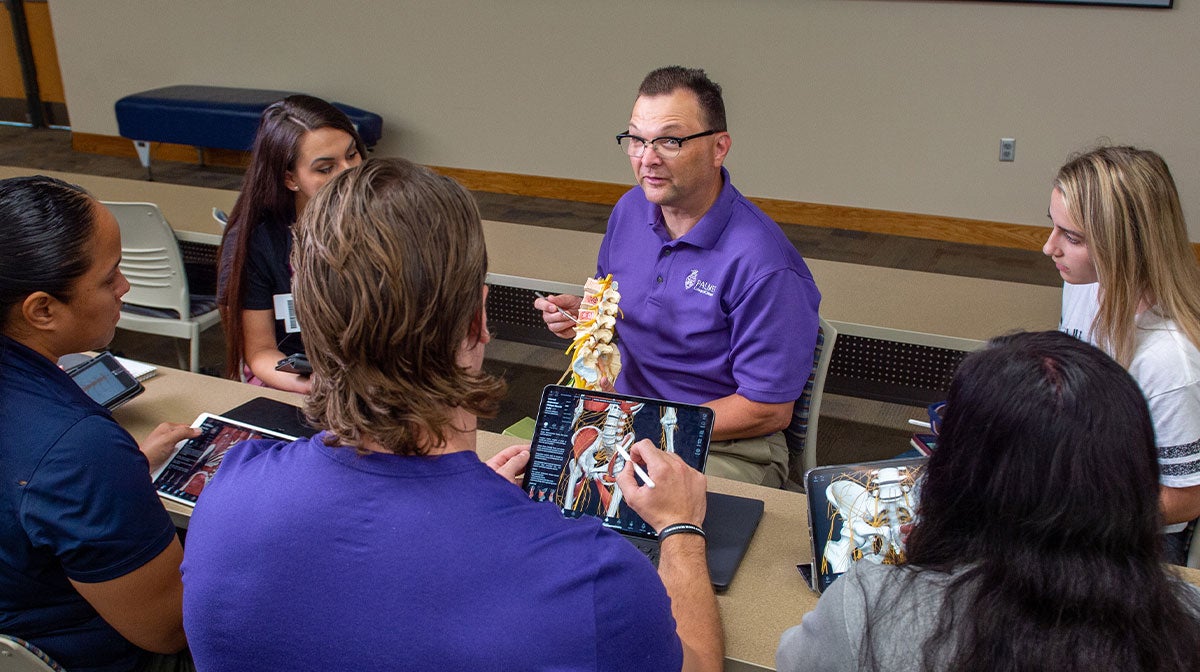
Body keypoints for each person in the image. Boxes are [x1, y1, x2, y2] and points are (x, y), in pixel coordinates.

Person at [182, 158, 723, 671]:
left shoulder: (227, 487)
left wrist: (464, 506)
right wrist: (680, 528)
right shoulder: (591, 579)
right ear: (476, 321)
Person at [776, 330, 1200, 671]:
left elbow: (792, 659)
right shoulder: (1187, 618)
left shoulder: (868, 608)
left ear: (960, 470)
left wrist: (914, 572)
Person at [536, 66, 821, 488]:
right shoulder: (630, 210)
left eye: (670, 140)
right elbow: (616, 309)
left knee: (628, 509)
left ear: (719, 147)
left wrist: (646, 427)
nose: (647, 158)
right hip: (626, 421)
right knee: (534, 488)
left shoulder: (765, 265)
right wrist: (587, 318)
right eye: (636, 139)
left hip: (724, 443)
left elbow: (768, 409)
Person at [0, 176, 200, 671]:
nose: (125, 288)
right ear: (42, 309)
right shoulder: (78, 450)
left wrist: (122, 480)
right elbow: (169, 630)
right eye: (109, 277)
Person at [1044, 146, 1200, 563]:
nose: (1049, 248)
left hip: (1136, 534)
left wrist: (1071, 510)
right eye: (1053, 226)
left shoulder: (1170, 360)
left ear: (1124, 245)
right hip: (1080, 481)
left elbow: (1185, 499)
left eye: (1071, 237)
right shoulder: (1082, 283)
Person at [217, 94, 366, 393]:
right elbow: (260, 354)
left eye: (352, 155)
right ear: (290, 179)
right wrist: (314, 384)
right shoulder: (257, 243)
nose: (348, 173)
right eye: (325, 168)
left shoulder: (379, 219)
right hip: (297, 382)